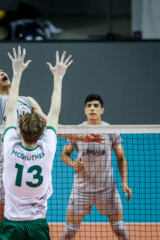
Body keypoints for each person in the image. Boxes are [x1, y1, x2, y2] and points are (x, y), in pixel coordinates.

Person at [0, 8, 103, 239]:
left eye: (1, 71)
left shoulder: (28, 101)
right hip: (6, 173)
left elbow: (50, 126)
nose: (0, 73)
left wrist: (81, 137)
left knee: (35, 223)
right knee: (0, 227)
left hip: (33, 165)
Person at [0, 46, 73, 239]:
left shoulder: (9, 145)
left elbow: (11, 107)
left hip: (11, 224)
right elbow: (54, 112)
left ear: (18, 131)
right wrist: (58, 77)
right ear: (41, 133)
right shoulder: (48, 147)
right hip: (37, 225)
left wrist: (17, 72)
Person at [60, 94, 132, 240]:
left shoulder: (110, 130)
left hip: (107, 190)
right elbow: (64, 155)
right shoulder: (77, 130)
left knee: (120, 229)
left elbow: (121, 157)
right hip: (81, 190)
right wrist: (73, 163)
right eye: (89, 106)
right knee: (68, 232)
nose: (92, 108)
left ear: (102, 110)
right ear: (85, 110)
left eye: (96, 106)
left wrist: (124, 183)